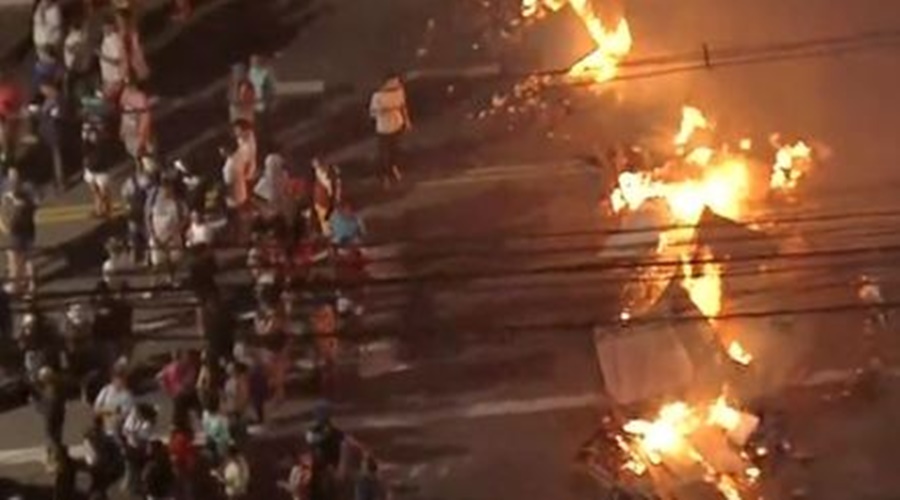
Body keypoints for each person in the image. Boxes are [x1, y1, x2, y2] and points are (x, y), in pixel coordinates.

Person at [146, 178, 188, 293]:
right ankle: (153, 285)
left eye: (168, 189)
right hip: (157, 238)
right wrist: (153, 235)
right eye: (164, 189)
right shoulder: (153, 202)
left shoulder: (178, 203)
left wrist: (175, 232)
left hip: (173, 238)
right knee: (157, 263)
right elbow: (148, 219)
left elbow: (185, 218)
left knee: (173, 261)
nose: (166, 191)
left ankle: (172, 279)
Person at [368, 74, 410, 188]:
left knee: (395, 150)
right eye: (393, 82)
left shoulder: (399, 92)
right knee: (384, 154)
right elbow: (372, 113)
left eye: (397, 82)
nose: (396, 84)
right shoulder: (378, 96)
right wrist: (382, 111)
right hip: (383, 128)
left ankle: (394, 168)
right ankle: (385, 176)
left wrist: (407, 121)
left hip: (397, 125)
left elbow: (403, 106)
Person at [1, 169, 38, 293]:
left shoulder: (12, 194)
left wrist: (3, 225)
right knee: (28, 256)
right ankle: (31, 283)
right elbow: (36, 204)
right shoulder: (29, 188)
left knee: (13, 257)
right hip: (29, 228)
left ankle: (15, 285)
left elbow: (5, 211)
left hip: (16, 230)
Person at [84, 415, 125, 500]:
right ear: (102, 425)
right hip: (103, 467)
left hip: (93, 466)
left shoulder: (88, 436)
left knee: (96, 488)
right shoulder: (105, 438)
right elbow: (115, 451)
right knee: (101, 488)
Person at [121, 160, 153, 265]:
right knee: (146, 236)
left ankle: (136, 256)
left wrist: (127, 207)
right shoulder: (145, 180)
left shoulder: (130, 182)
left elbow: (125, 195)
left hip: (134, 213)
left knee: (136, 235)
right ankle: (145, 257)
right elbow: (150, 196)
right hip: (142, 213)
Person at [122, 403, 158, 496]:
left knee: (137, 472)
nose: (133, 414)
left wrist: (132, 433)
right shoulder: (132, 418)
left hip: (140, 450)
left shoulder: (148, 423)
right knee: (131, 470)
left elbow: (141, 436)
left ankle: (137, 489)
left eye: (136, 412)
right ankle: (130, 488)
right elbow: (125, 431)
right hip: (131, 448)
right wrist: (132, 433)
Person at [82, 116, 114, 217]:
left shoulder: (104, 143)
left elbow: (108, 155)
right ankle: (98, 209)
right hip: (90, 169)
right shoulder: (86, 143)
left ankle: (107, 209)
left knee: (104, 192)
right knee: (94, 191)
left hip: (101, 170)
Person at [37, 82, 67, 191]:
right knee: (52, 157)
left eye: (44, 88)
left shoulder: (56, 100)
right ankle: (56, 180)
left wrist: (41, 112)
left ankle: (60, 182)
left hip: (54, 132)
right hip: (48, 132)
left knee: (56, 158)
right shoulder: (49, 99)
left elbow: (57, 116)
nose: (42, 91)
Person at [120, 79, 153, 168]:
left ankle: (145, 164)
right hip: (132, 129)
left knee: (145, 153)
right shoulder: (126, 94)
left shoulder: (137, 97)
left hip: (137, 130)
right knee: (137, 150)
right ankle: (141, 162)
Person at [33, 367, 66, 452]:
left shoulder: (51, 389)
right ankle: (59, 454)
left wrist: (37, 404)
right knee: (57, 435)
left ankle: (57, 456)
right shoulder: (55, 386)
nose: (40, 379)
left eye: (41, 377)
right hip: (58, 413)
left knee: (51, 436)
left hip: (51, 415)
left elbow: (49, 404)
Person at [93, 369, 135, 435]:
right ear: (113, 380)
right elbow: (96, 408)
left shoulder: (127, 396)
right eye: (117, 380)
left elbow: (124, 413)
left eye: (121, 380)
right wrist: (114, 409)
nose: (119, 382)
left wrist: (105, 409)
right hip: (102, 424)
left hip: (116, 428)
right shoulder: (105, 390)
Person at [63, 19, 94, 107]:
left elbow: (76, 49)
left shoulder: (75, 37)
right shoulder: (80, 36)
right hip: (78, 67)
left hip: (75, 67)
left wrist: (73, 48)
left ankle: (75, 105)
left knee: (73, 89)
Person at [248, 54, 275, 147]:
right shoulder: (248, 74)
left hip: (262, 105)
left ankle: (266, 142)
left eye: (256, 60)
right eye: (252, 60)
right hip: (253, 106)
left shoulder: (265, 73)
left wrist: (269, 100)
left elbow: (270, 89)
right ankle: (258, 142)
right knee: (256, 126)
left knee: (265, 125)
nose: (254, 62)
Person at [99, 17, 126, 97]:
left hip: (114, 78)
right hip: (108, 77)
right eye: (103, 27)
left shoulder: (113, 40)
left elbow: (116, 61)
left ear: (112, 27)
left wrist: (100, 55)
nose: (104, 29)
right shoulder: (106, 39)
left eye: (106, 26)